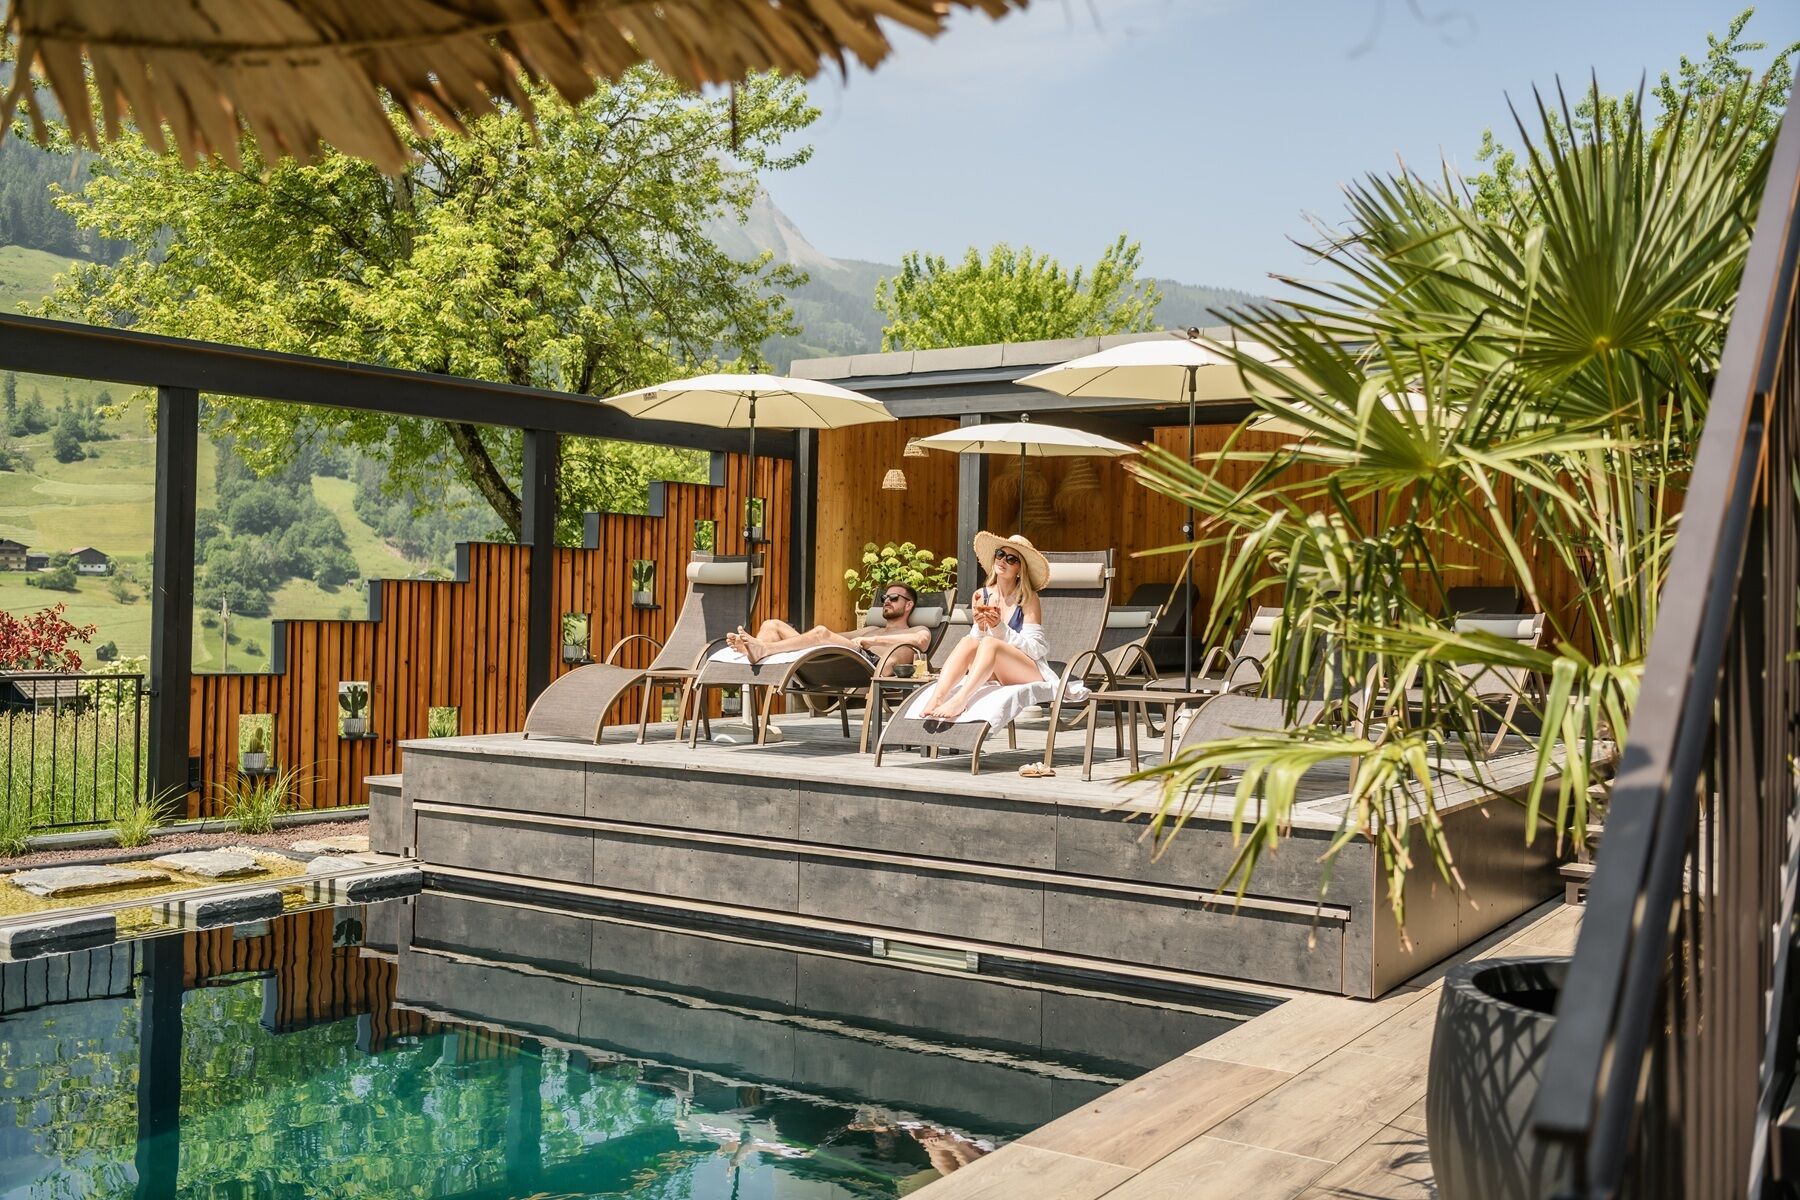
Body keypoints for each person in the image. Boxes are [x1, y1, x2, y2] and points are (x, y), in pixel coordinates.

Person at [920, 532, 1058, 720]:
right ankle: (937, 698)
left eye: (1011, 559)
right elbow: (976, 644)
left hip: (1026, 671)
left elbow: (1036, 650)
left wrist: (1000, 628)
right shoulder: (981, 595)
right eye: (1000, 554)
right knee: (968, 641)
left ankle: (960, 699)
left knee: (990, 643)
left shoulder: (1027, 598)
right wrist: (980, 627)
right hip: (993, 671)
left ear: (1020, 568)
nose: (1003, 560)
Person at [727, 582, 930, 665]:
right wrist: (804, 639)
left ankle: (763, 649)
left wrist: (873, 641)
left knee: (821, 632)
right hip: (843, 657)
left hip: (868, 663)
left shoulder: (917, 629)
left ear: (908, 605)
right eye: (884, 597)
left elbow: (921, 641)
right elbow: (836, 637)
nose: (886, 601)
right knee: (772, 624)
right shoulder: (872, 628)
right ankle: (755, 652)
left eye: (894, 598)